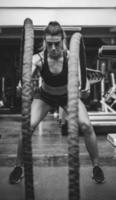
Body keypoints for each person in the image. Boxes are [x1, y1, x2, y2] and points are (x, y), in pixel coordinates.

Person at [9, 21, 104, 184]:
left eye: (57, 44)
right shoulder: (38, 59)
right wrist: (21, 85)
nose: (53, 48)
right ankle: (18, 167)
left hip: (68, 96)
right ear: (45, 42)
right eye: (49, 44)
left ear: (63, 41)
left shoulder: (70, 57)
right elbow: (26, 75)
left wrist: (85, 87)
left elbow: (82, 77)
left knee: (87, 126)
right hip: (44, 97)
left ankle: (96, 167)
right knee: (27, 127)